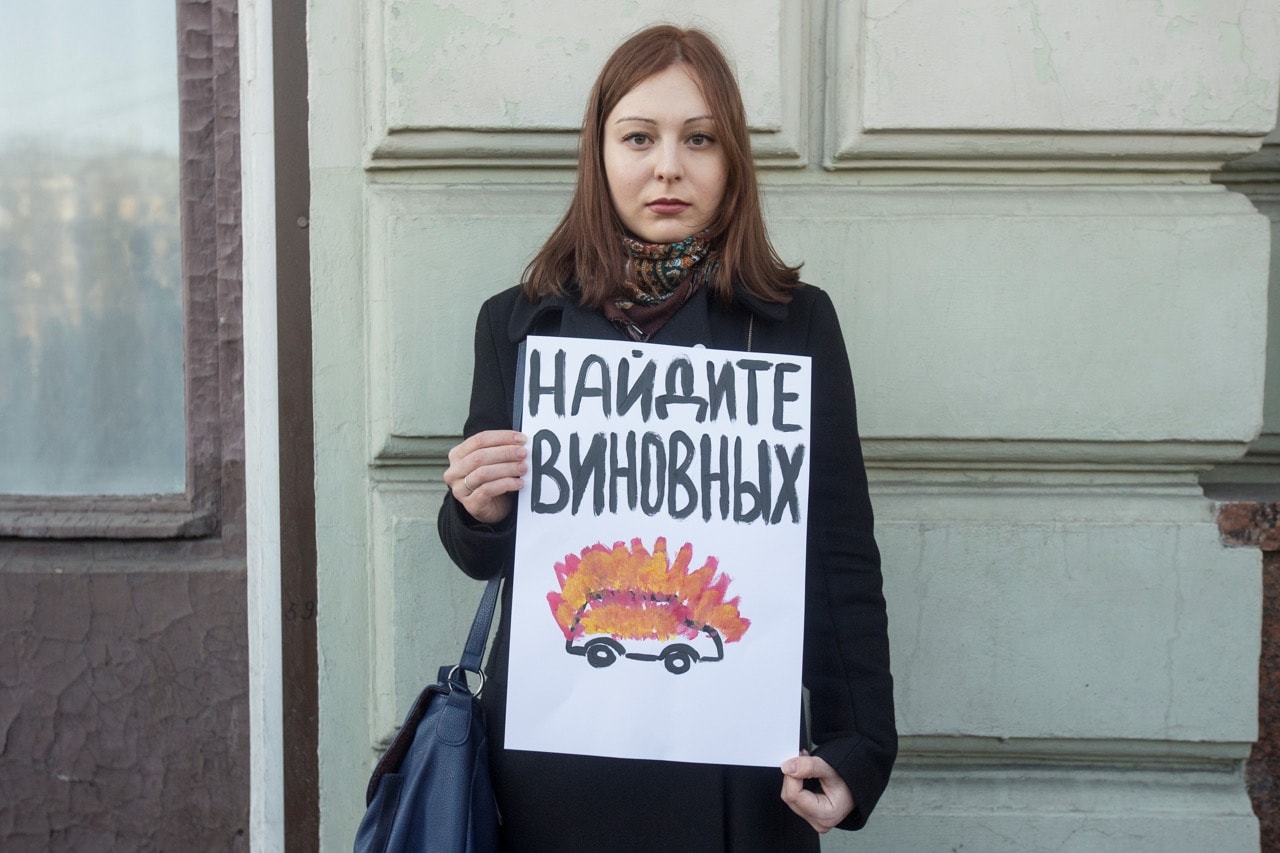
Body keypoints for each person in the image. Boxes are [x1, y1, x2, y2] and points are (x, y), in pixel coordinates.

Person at [437, 24, 895, 852]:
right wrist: (476, 504)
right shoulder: (518, 323)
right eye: (639, 137)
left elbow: (838, 556)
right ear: (600, 152)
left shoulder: (792, 327)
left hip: (731, 765)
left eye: (700, 138)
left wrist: (859, 745)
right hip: (554, 760)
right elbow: (482, 552)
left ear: (732, 161)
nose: (669, 166)